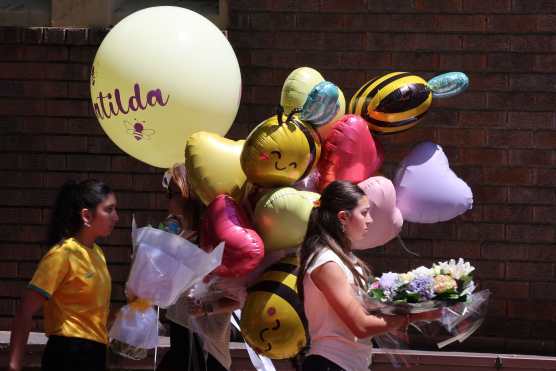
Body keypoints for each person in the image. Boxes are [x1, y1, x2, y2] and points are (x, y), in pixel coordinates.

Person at [298, 180, 440, 371]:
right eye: (364, 213)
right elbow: (361, 326)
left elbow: (366, 317)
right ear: (343, 217)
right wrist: (413, 317)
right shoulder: (327, 263)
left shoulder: (346, 259)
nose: (370, 220)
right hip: (330, 364)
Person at [8, 179, 119, 371]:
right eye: (109, 210)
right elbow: (25, 311)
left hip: (96, 354)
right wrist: (14, 364)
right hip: (68, 354)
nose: (116, 217)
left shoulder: (98, 254)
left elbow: (92, 315)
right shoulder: (62, 254)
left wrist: (130, 312)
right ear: (87, 216)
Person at [156, 163, 241, 371]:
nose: (168, 199)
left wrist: (207, 309)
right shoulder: (179, 235)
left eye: (172, 192)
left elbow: (237, 298)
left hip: (206, 347)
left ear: (187, 195)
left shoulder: (214, 239)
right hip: (181, 337)